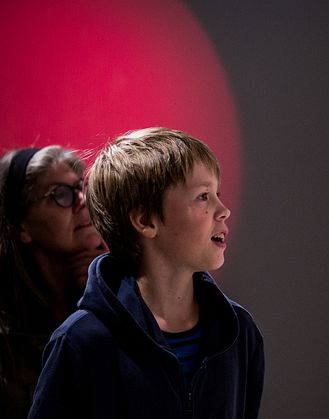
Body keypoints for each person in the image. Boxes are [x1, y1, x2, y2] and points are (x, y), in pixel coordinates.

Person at [28, 128, 264, 418]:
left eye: (217, 193)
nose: (223, 210)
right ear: (145, 220)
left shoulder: (239, 331)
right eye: (203, 196)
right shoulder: (80, 342)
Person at [0, 146, 106, 418]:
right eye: (60, 194)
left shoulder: (127, 292)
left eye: (84, 188)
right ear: (19, 225)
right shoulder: (7, 337)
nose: (82, 200)